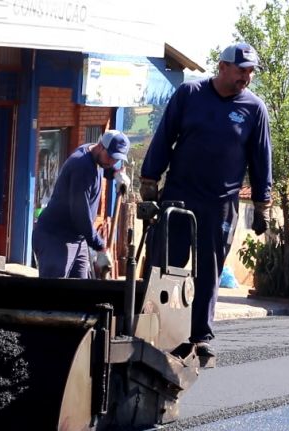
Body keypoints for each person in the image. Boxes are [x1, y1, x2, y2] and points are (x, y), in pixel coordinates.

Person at [139, 43, 272, 359]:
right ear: (223, 67)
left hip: (220, 205)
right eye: (242, 70)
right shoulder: (190, 94)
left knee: (208, 271)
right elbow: (164, 135)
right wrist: (149, 179)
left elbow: (261, 159)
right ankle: (146, 323)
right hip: (179, 196)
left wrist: (262, 204)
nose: (247, 77)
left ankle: (199, 335)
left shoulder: (254, 109)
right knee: (162, 263)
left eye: (251, 71)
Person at [32, 130, 131, 278]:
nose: (111, 161)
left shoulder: (93, 153)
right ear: (101, 146)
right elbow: (81, 216)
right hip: (55, 238)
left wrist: (115, 173)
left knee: (81, 293)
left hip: (78, 239)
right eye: (110, 157)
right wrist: (100, 247)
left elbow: (103, 167)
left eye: (116, 159)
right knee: (53, 294)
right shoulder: (82, 167)